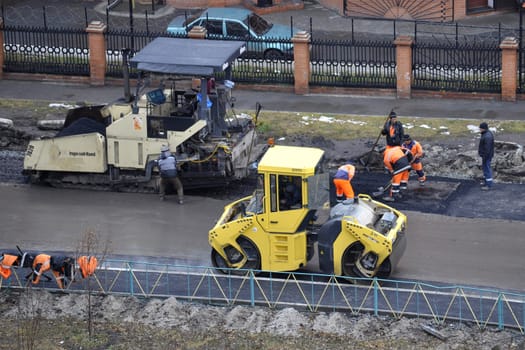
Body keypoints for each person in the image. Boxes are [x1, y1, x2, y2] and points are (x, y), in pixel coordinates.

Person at [478, 122, 494, 190]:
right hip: (486, 155)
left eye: (480, 128)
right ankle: (487, 182)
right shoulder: (486, 134)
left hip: (486, 156)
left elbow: (487, 149)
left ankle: (489, 185)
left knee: (487, 169)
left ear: (483, 128)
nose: (480, 129)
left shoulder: (487, 136)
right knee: (485, 169)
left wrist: (484, 157)